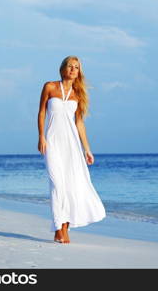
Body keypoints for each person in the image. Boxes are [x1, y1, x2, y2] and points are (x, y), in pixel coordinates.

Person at [37, 56, 106, 244]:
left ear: (79, 72)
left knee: (70, 186)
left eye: (76, 67)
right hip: (52, 143)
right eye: (70, 66)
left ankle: (63, 228)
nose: (73, 70)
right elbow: (42, 112)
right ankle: (59, 226)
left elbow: (80, 123)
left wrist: (87, 149)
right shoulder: (49, 87)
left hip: (72, 146)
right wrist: (41, 136)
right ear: (62, 69)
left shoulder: (78, 94)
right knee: (57, 184)